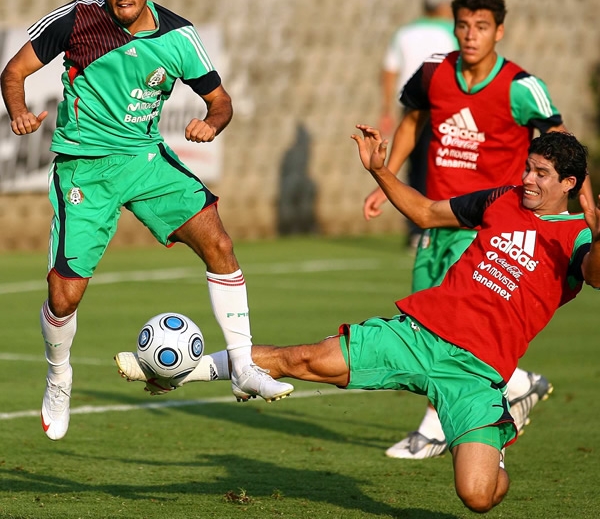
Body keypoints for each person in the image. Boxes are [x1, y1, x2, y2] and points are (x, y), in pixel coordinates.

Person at [116, 127, 600, 513]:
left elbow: (594, 275)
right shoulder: (503, 199)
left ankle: (498, 430)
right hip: (419, 336)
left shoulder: (578, 238)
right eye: (528, 169)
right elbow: (428, 213)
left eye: (540, 174)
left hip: (476, 373)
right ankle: (175, 368)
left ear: (569, 184)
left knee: (479, 496)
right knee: (298, 359)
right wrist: (381, 171)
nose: (529, 180)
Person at [0, 0, 293, 441]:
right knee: (64, 294)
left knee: (219, 242)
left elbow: (220, 101)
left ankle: (243, 365)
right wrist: (20, 110)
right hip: (84, 168)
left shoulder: (179, 36)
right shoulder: (78, 18)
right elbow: (14, 71)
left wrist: (212, 122)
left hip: (145, 159)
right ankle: (59, 376)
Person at [363, 0, 581, 460]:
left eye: (481, 26)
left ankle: (433, 429)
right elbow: (413, 121)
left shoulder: (523, 87)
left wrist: (576, 210)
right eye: (462, 25)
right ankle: (519, 383)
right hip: (437, 216)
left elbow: (562, 144)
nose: (470, 35)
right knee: (424, 313)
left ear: (499, 31)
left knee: (453, 322)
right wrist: (387, 179)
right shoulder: (434, 73)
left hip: (491, 222)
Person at [379, 0, 458, 248]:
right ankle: (436, 227)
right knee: (442, 166)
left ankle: (415, 230)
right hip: (445, 108)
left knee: (415, 168)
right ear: (445, 5)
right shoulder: (454, 31)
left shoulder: (404, 33)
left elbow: (389, 71)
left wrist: (387, 109)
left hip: (410, 105)